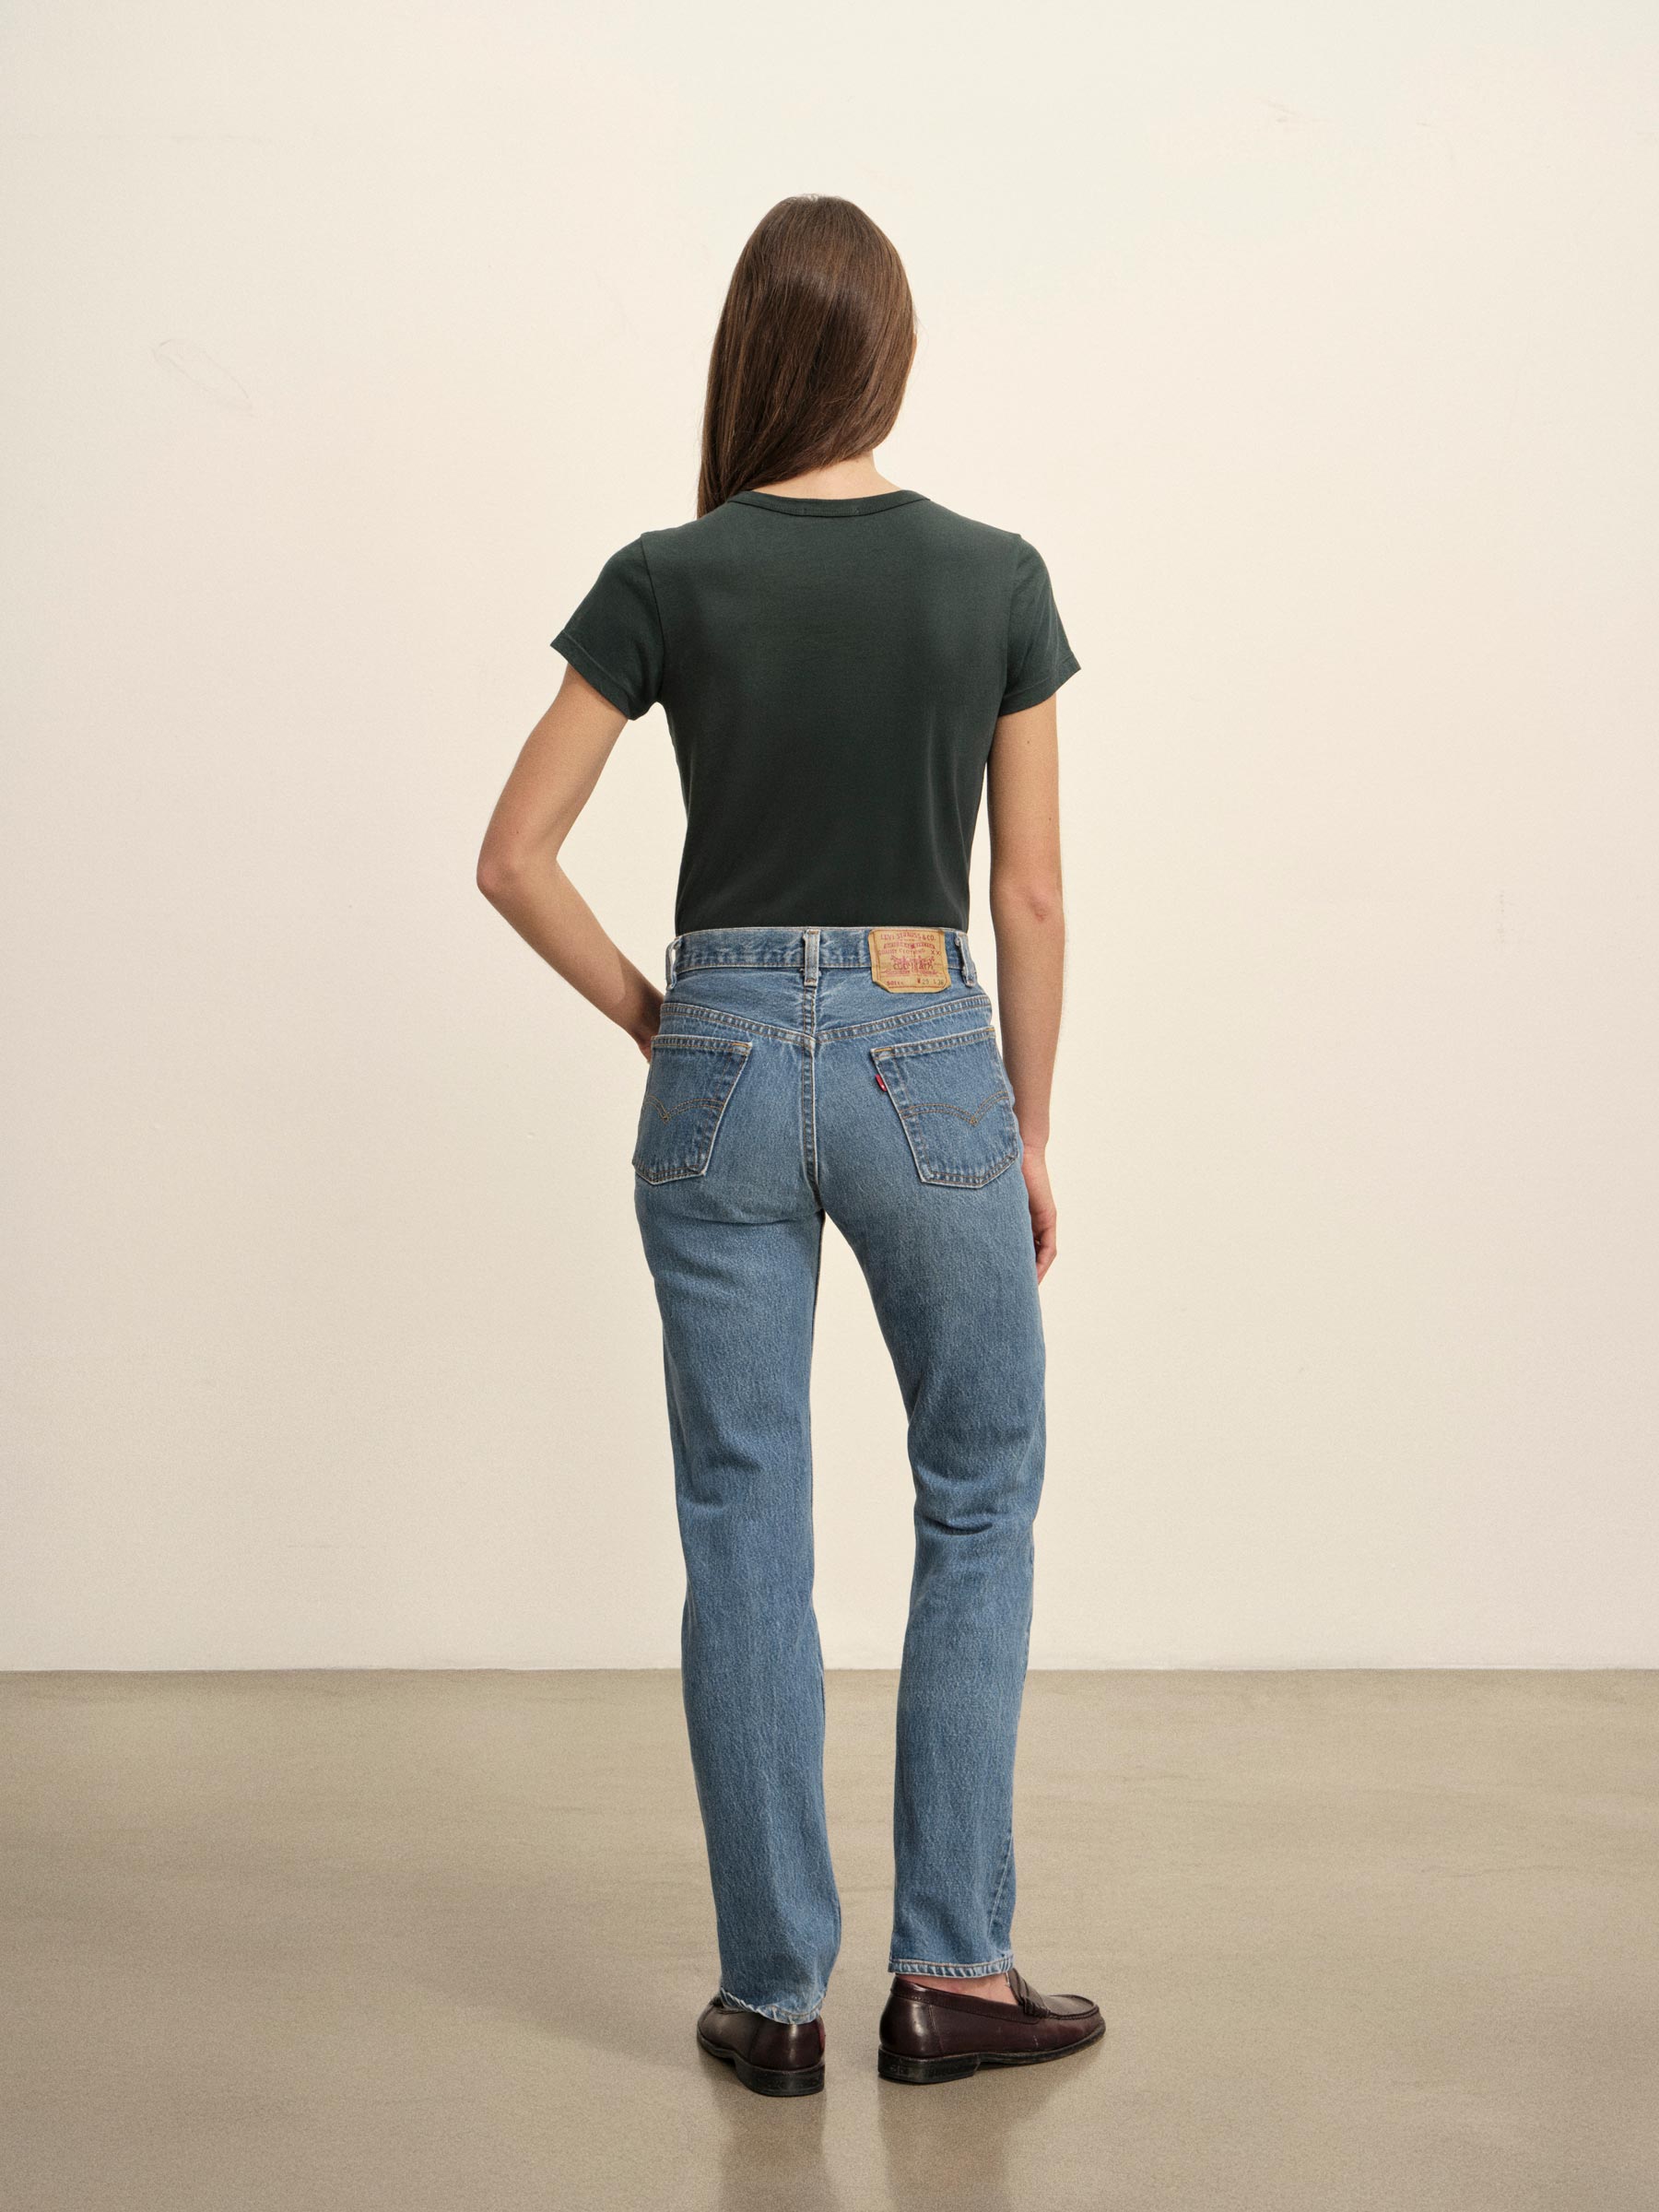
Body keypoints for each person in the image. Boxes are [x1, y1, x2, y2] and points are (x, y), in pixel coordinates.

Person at [477, 194, 1101, 2095]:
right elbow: (1032, 897)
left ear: (752, 353)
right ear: (891, 357)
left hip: (724, 1059)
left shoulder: (669, 575)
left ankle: (771, 2002)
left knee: (743, 1516)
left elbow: (514, 857)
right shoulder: (994, 577)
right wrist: (1028, 1130)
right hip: (929, 1051)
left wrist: (665, 1019)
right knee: (976, 1491)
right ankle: (953, 1975)